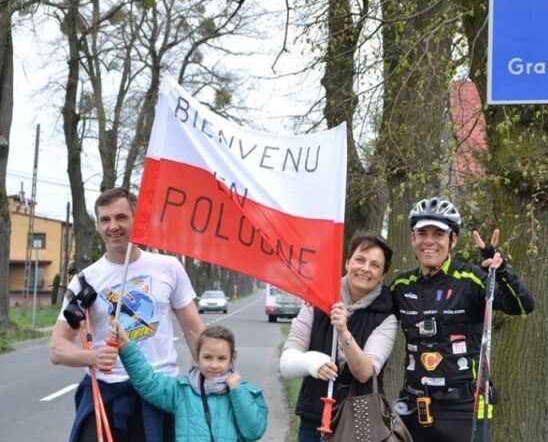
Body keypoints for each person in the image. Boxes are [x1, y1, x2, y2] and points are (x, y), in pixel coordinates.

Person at [49, 187, 206, 442]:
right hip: (105, 394)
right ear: (98, 225)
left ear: (136, 219)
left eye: (121, 217)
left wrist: (211, 382)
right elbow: (57, 348)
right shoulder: (84, 281)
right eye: (105, 219)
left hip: (159, 391)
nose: (113, 226)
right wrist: (93, 357)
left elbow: (194, 330)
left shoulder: (168, 268)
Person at [389, 197, 535, 442]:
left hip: (465, 408)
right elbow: (371, 316)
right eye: (422, 233)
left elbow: (522, 306)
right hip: (414, 406)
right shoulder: (401, 286)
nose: (429, 241)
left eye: (438, 234)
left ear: (453, 240)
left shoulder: (470, 278)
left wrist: (501, 272)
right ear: (413, 238)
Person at [279, 233, 398, 442]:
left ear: (382, 275)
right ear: (347, 262)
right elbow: (287, 362)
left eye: (375, 265)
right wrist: (310, 362)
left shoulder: (386, 316)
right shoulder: (316, 298)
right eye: (360, 260)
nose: (365, 268)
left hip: (360, 425)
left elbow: (365, 373)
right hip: (314, 419)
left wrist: (343, 331)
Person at [110, 322, 268, 441]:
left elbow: (253, 432)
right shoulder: (181, 391)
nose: (214, 365)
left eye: (221, 358)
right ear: (197, 357)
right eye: (207, 357)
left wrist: (238, 392)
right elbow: (148, 382)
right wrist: (126, 346)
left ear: (232, 359)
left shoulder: (245, 393)